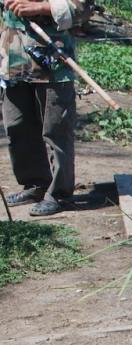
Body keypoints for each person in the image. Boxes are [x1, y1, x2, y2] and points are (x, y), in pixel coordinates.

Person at [1, 0, 85, 216]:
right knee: (18, 126)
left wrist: (40, 7)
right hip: (12, 60)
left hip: (52, 62)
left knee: (56, 130)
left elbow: (83, 7)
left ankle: (60, 194)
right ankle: (35, 184)